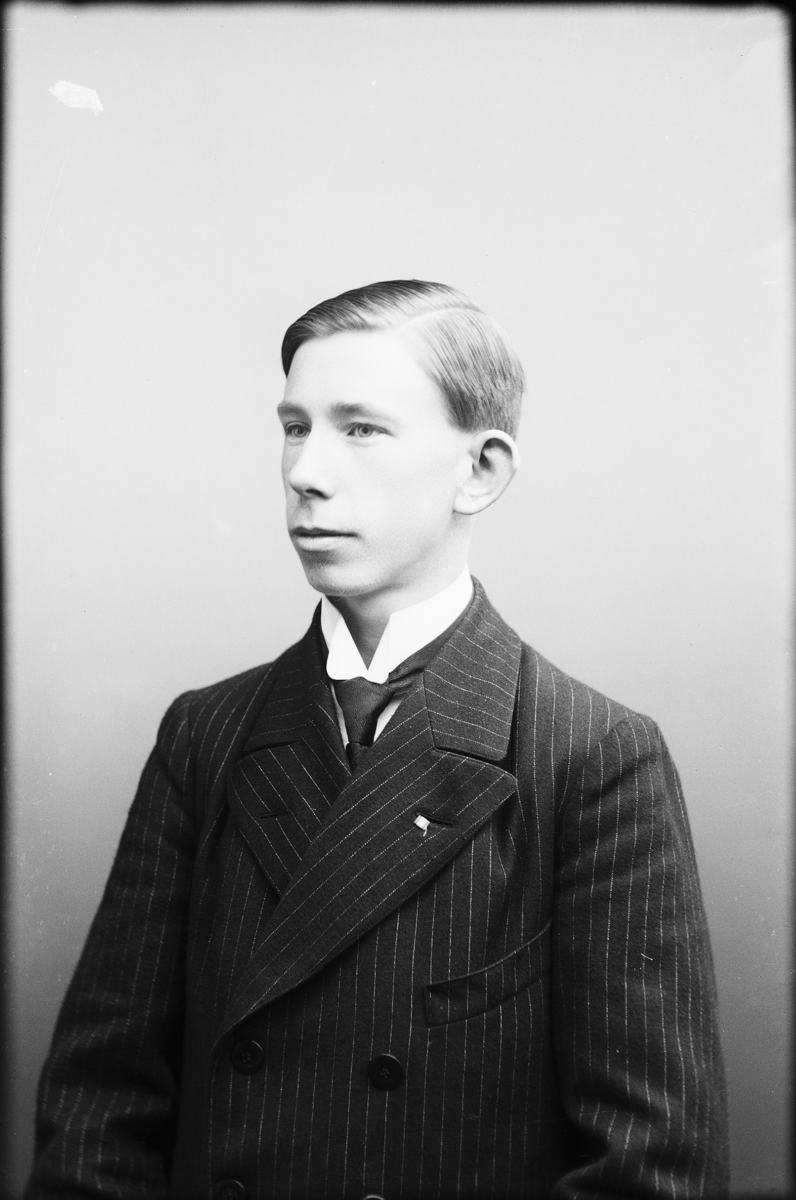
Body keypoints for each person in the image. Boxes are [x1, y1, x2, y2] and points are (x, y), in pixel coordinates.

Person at [27, 280, 730, 1199]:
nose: (306, 472)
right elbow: (98, 1112)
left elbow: (651, 1162)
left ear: (479, 471)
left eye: (361, 429)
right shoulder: (206, 733)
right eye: (295, 428)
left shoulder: (593, 756)